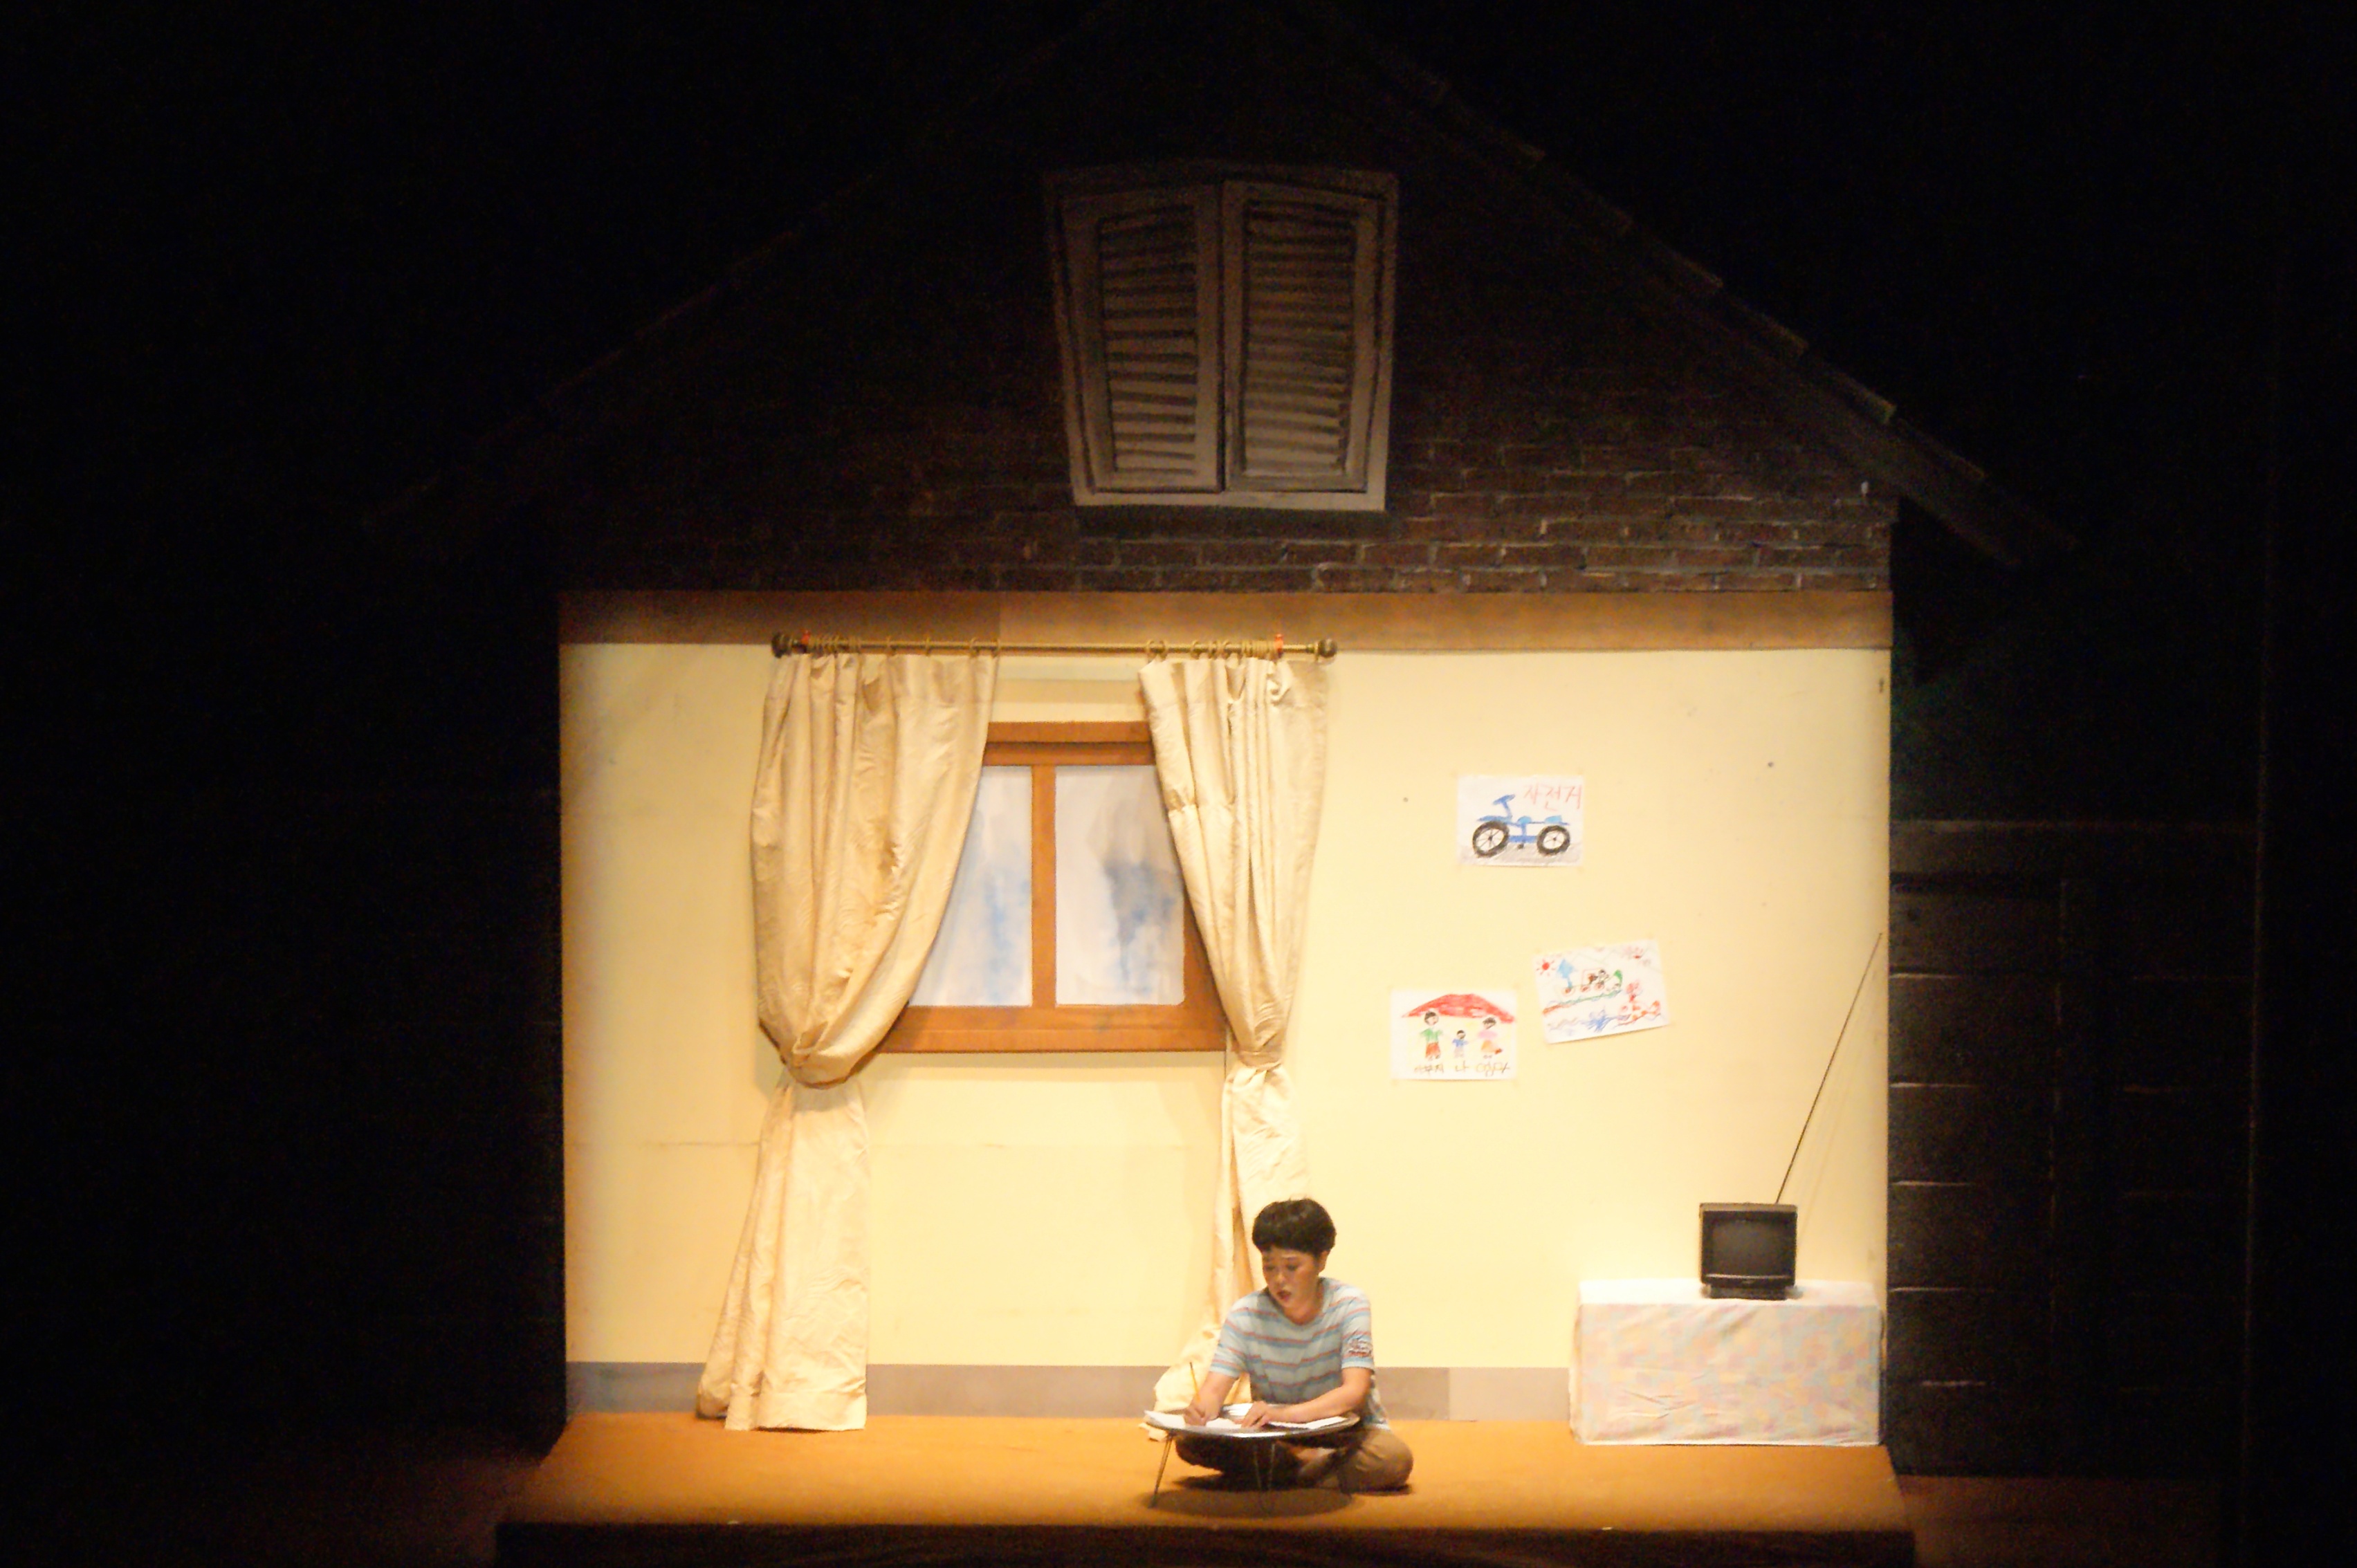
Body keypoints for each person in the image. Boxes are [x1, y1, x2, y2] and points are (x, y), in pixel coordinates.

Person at [1176, 1198, 1413, 1491]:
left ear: (1321, 1260)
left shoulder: (1349, 1305)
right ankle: (1309, 1470)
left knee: (1393, 1459)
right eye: (1269, 1267)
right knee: (1190, 1441)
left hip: (1346, 1433)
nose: (1279, 1280)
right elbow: (1214, 1390)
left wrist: (1285, 1415)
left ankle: (1283, 1474)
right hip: (1277, 1436)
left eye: (1291, 1267)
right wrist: (1201, 1410)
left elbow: (1354, 1392)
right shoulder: (1246, 1314)